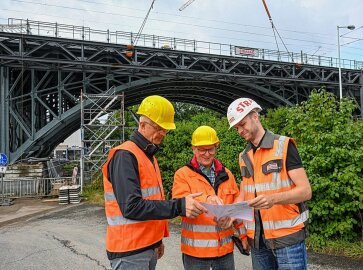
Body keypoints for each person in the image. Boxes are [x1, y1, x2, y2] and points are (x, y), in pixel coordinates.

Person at [102, 95, 208, 270]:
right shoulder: (125, 155)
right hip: (130, 250)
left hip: (146, 246)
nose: (163, 133)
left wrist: (157, 241)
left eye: (165, 129)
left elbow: (152, 200)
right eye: (159, 128)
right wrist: (179, 206)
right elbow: (131, 207)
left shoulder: (147, 155)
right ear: (142, 125)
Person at [226, 98, 312, 270]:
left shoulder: (284, 146)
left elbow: (305, 191)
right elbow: (245, 194)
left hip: (287, 238)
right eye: (237, 128)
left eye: (242, 124)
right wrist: (231, 214)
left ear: (255, 116)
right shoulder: (244, 156)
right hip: (257, 241)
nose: (240, 131)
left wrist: (273, 199)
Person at [172, 125, 249, 270]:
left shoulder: (227, 174)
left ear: (216, 148)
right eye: (202, 149)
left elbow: (236, 208)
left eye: (210, 149)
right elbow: (180, 203)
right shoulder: (182, 175)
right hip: (196, 254)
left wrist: (243, 236)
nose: (207, 154)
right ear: (193, 149)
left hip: (225, 251)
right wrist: (206, 200)